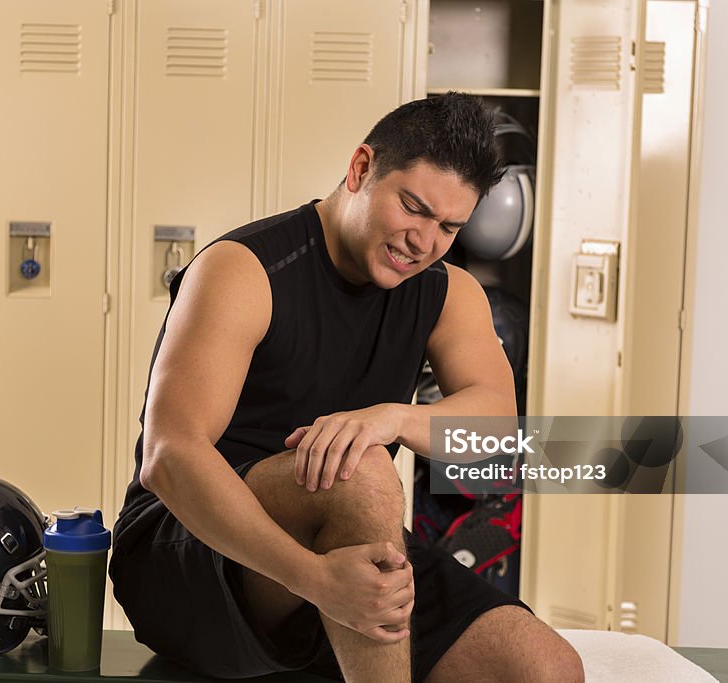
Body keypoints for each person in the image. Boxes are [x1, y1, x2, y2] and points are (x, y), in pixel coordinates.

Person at [110, 93, 585, 682]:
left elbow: (492, 432)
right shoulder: (243, 270)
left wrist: (395, 419)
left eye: (449, 227)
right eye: (413, 208)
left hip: (350, 539)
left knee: (544, 669)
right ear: (361, 169)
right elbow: (170, 457)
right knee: (359, 471)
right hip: (190, 559)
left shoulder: (447, 292)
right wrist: (313, 579)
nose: (425, 241)